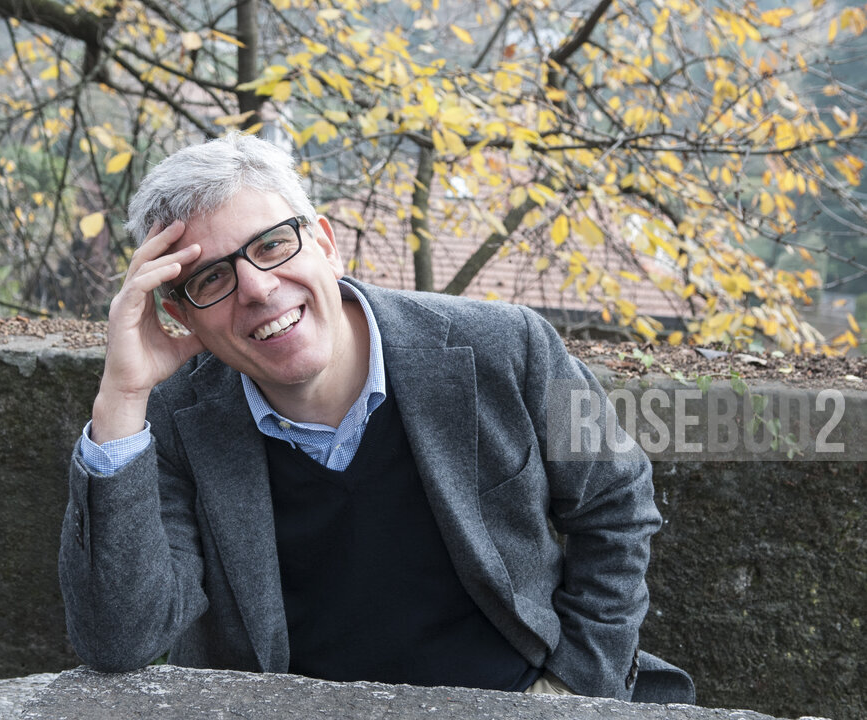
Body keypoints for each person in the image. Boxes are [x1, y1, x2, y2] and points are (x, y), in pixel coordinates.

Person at [59, 132, 693, 702]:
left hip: (516, 696)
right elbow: (120, 640)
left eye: (273, 244)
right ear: (182, 315)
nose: (256, 287)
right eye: (211, 279)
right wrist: (121, 397)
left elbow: (616, 499)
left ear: (326, 245)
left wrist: (572, 689)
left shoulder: (512, 346)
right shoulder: (169, 421)